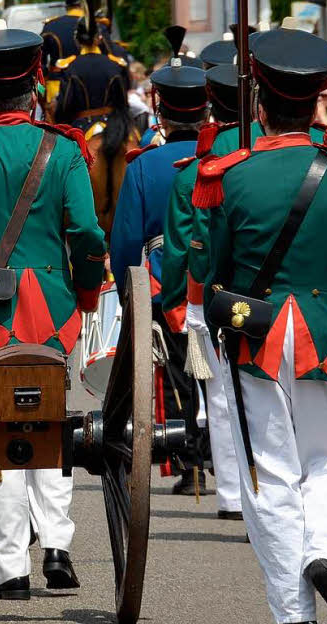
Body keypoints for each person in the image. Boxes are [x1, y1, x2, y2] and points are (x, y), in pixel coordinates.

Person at [198, 27, 327, 624]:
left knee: (271, 476)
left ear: (259, 101)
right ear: (318, 101)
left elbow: (214, 272)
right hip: (325, 334)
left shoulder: (228, 172)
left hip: (253, 336)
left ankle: (294, 614)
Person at [0, 25, 105, 600]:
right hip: (55, 306)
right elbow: (83, 231)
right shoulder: (64, 147)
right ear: (34, 82)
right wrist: (83, 294)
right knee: (51, 417)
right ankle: (56, 544)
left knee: (1, 425)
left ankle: (10, 569)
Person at [112, 26, 209, 496]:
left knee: (177, 375)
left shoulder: (144, 166)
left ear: (161, 108)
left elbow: (127, 241)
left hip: (161, 281)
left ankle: (189, 458)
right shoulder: (229, 156)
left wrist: (126, 292)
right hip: (220, 280)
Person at [160, 52, 243, 520]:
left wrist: (181, 303)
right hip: (304, 306)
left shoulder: (200, 171)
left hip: (217, 299)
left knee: (226, 398)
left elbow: (183, 249)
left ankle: (234, 495)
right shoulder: (320, 156)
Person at [55, 0, 132, 236]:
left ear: (78, 40)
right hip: (116, 127)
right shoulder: (116, 64)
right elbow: (123, 103)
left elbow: (65, 107)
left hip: (82, 128)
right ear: (99, 38)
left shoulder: (70, 67)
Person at [40, 0, 84, 107]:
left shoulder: (51, 26)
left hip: (56, 92)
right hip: (90, 92)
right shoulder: (97, 26)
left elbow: (40, 64)